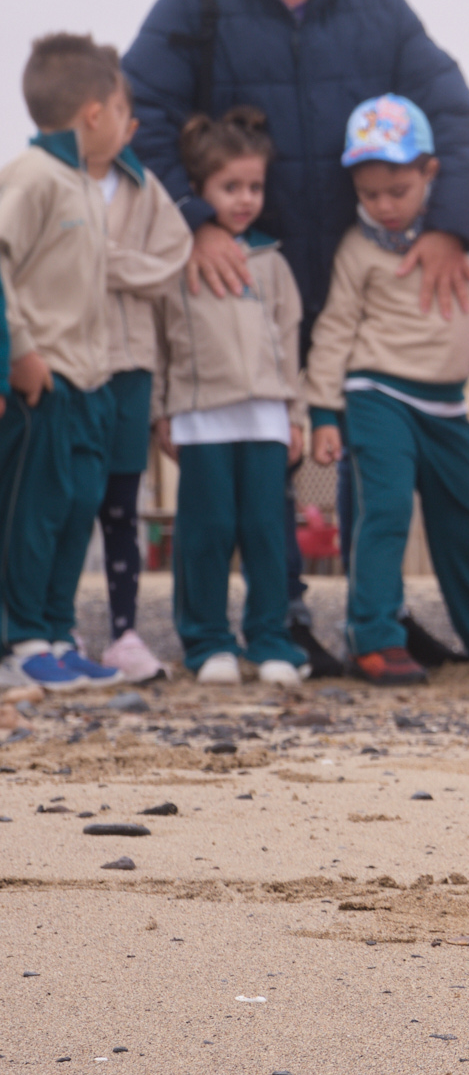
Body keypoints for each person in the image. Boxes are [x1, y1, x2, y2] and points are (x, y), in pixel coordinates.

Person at [123, 0, 469, 676]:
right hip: (242, 284)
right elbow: (138, 117)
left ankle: (378, 620)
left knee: (367, 457)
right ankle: (278, 621)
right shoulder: (194, 3)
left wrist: (448, 227)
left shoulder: (378, 5)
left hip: (361, 272)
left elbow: (454, 117)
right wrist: (197, 221)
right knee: (264, 462)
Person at [305, 95, 469, 685]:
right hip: (376, 393)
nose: (384, 206)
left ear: (430, 173)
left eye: (397, 189)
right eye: (369, 194)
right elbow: (335, 330)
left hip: (448, 402)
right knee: (384, 511)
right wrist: (322, 410)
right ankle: (374, 637)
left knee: (463, 523)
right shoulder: (357, 247)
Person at [0, 34, 188, 691]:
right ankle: (19, 641)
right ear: (94, 113)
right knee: (34, 513)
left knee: (77, 506)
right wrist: (18, 352)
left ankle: (55, 630)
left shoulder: (85, 183)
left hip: (94, 381)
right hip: (43, 383)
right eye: (121, 105)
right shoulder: (33, 177)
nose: (125, 119)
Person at [148, 108, 310, 685]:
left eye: (254, 186)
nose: (244, 199)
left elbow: (291, 346)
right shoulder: (177, 263)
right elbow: (160, 342)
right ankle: (207, 642)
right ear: (198, 189)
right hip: (199, 418)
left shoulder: (275, 264)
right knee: (205, 534)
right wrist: (159, 411)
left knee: (268, 535)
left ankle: (270, 639)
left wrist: (296, 415)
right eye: (230, 187)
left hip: (267, 419)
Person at [98, 91, 194, 684]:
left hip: (132, 368)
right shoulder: (38, 181)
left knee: (121, 507)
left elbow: (172, 261)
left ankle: (124, 632)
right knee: (54, 505)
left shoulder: (146, 189)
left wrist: (91, 260)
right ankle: (41, 626)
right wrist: (126, 264)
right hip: (65, 366)